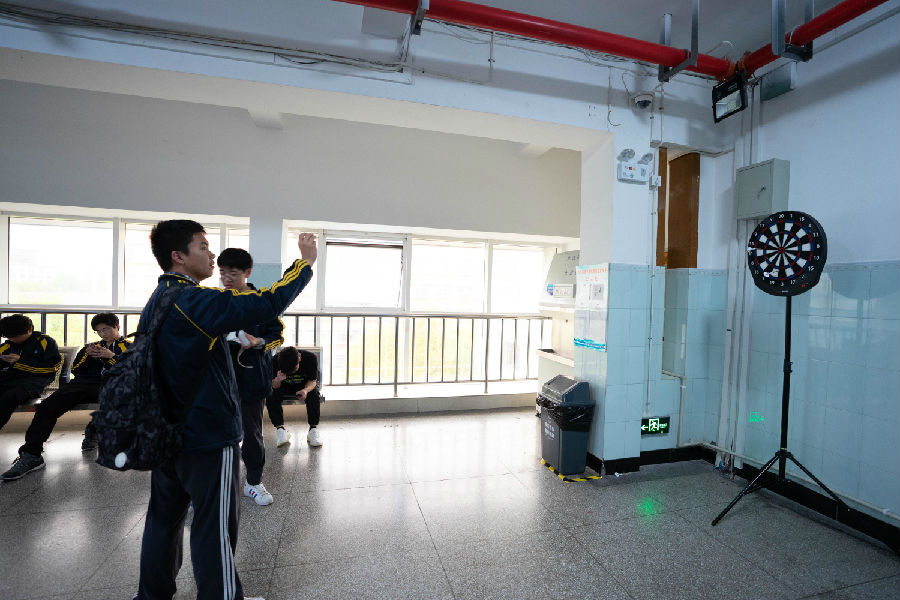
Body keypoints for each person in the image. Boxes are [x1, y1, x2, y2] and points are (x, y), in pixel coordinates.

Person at [135, 220, 315, 600]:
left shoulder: (160, 298)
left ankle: (152, 595)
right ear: (178, 256)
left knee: (164, 520)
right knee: (214, 525)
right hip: (205, 433)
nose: (211, 254)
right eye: (203, 246)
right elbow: (268, 301)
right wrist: (304, 263)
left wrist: (251, 340)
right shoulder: (194, 300)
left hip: (166, 429)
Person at [0, 313, 129, 481]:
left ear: (117, 326)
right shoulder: (92, 347)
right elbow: (76, 369)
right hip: (83, 384)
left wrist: (111, 358)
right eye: (99, 331)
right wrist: (89, 356)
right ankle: (32, 454)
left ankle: (95, 427)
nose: (102, 334)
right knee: (47, 406)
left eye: (106, 329)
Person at [218, 248, 285, 507]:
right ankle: (212, 484)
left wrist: (259, 342)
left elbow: (277, 335)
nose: (226, 279)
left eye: (233, 274)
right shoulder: (216, 301)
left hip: (251, 377)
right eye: (222, 273)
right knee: (215, 432)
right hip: (219, 378)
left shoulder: (262, 302)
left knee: (251, 432)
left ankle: (253, 483)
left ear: (247, 272)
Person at [0, 315, 62, 439]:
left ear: (30, 329)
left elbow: (52, 368)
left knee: (10, 397)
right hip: (11, 378)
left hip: (35, 382)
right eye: (9, 337)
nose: (12, 339)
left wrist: (20, 362)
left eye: (15, 336)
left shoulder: (45, 342)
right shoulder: (8, 344)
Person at [266, 346, 324, 448]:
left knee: (314, 394)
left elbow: (312, 381)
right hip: (283, 385)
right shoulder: (275, 361)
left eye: (294, 369)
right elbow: (274, 385)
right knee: (271, 394)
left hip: (304, 385)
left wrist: (305, 390)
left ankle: (313, 430)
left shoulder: (310, 358)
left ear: (299, 358)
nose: (292, 373)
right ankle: (280, 430)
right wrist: (278, 380)